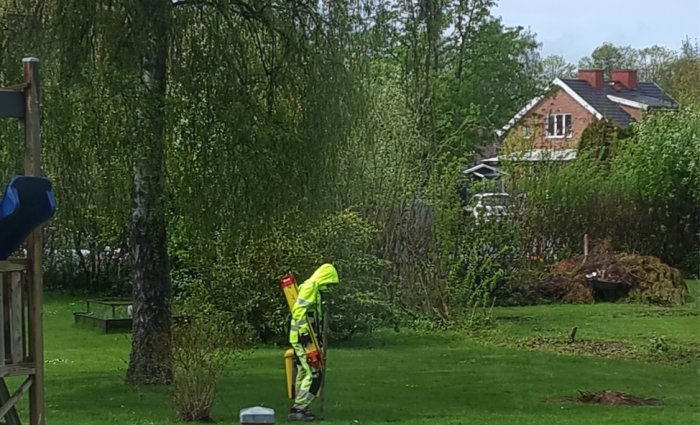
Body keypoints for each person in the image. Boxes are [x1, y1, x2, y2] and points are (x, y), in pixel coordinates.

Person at [288, 263, 339, 422]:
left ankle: (300, 407)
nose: (330, 288)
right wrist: (305, 335)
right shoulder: (311, 287)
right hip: (304, 339)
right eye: (329, 284)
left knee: (304, 372)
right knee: (314, 373)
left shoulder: (314, 288)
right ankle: (299, 408)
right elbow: (298, 312)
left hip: (303, 338)